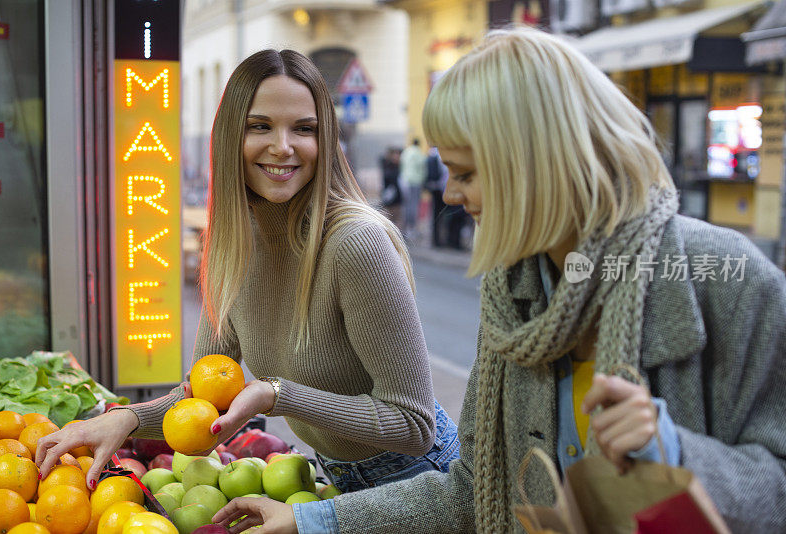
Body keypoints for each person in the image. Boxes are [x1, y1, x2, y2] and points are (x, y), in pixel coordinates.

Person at [212, 28, 786, 533]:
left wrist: (678, 454)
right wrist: (315, 520)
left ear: (536, 161)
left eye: (465, 172)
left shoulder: (725, 278)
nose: (452, 196)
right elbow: (475, 490)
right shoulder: (515, 293)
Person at [35, 49, 459, 496]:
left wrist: (278, 394)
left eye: (304, 128)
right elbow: (202, 393)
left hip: (425, 483)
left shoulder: (355, 243)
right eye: (260, 126)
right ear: (231, 136)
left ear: (326, 140)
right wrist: (126, 419)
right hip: (340, 481)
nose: (282, 146)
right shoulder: (232, 245)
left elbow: (414, 424)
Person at [399, 138, 426, 239]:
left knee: (406, 205)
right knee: (414, 205)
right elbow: (423, 169)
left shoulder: (406, 152)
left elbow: (401, 165)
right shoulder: (419, 153)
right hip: (416, 181)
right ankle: (412, 229)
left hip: (405, 180)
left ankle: (405, 229)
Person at [424, 146, 448, 248]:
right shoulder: (436, 156)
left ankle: (437, 240)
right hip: (439, 188)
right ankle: (437, 240)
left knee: (437, 214)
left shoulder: (432, 155)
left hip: (436, 188)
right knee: (438, 214)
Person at [378, 147, 402, 229]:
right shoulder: (387, 166)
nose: (397, 157)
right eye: (395, 155)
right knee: (390, 218)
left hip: (397, 197)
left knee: (397, 217)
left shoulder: (400, 167)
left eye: (398, 155)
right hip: (389, 196)